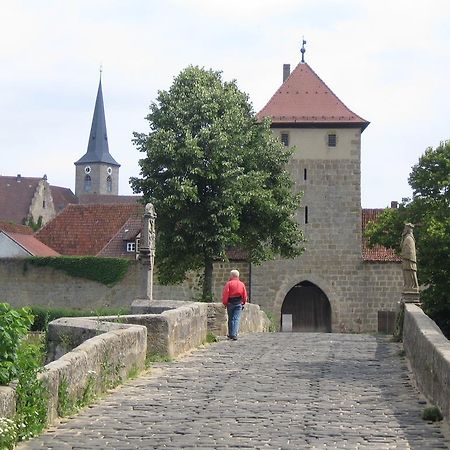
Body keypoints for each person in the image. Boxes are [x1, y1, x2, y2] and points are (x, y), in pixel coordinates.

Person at [222, 269, 248, 340]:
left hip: (230, 303)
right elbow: (244, 295)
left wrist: (225, 303)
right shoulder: (241, 284)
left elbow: (226, 294)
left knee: (230, 318)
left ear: (232, 275)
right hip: (239, 303)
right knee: (236, 318)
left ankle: (231, 334)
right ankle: (234, 334)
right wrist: (243, 302)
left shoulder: (229, 284)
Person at [400, 223, 419, 292]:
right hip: (406, 259)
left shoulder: (409, 238)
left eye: (405, 228)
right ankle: (408, 285)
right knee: (406, 272)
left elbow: (410, 251)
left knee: (410, 272)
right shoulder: (406, 238)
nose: (404, 230)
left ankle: (412, 286)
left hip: (409, 260)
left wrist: (405, 255)